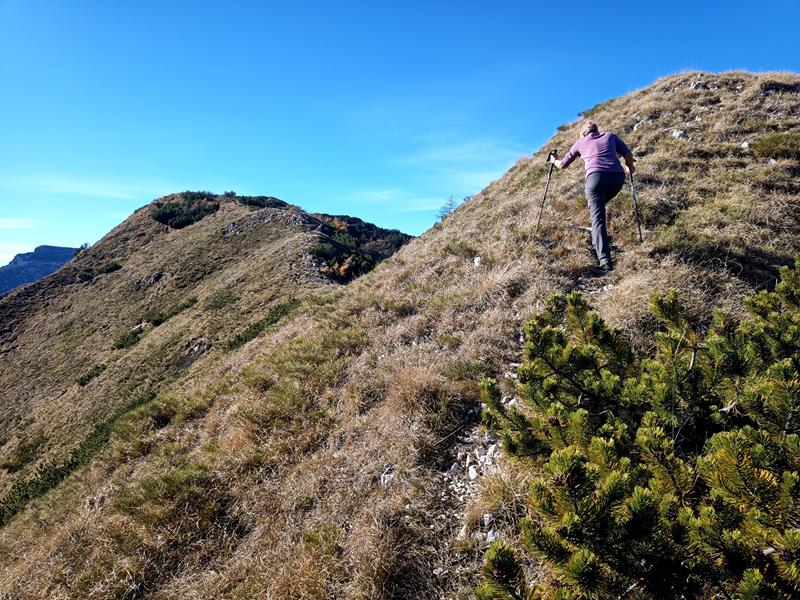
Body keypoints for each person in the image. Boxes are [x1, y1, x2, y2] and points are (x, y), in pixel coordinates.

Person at [548, 120, 635, 273]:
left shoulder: (580, 142)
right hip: (617, 178)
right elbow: (628, 154)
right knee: (598, 211)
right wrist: (630, 167)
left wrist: (553, 159)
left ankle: (605, 261)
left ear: (583, 133)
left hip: (595, 179)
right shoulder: (610, 136)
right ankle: (598, 240)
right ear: (596, 130)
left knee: (598, 218)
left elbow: (562, 165)